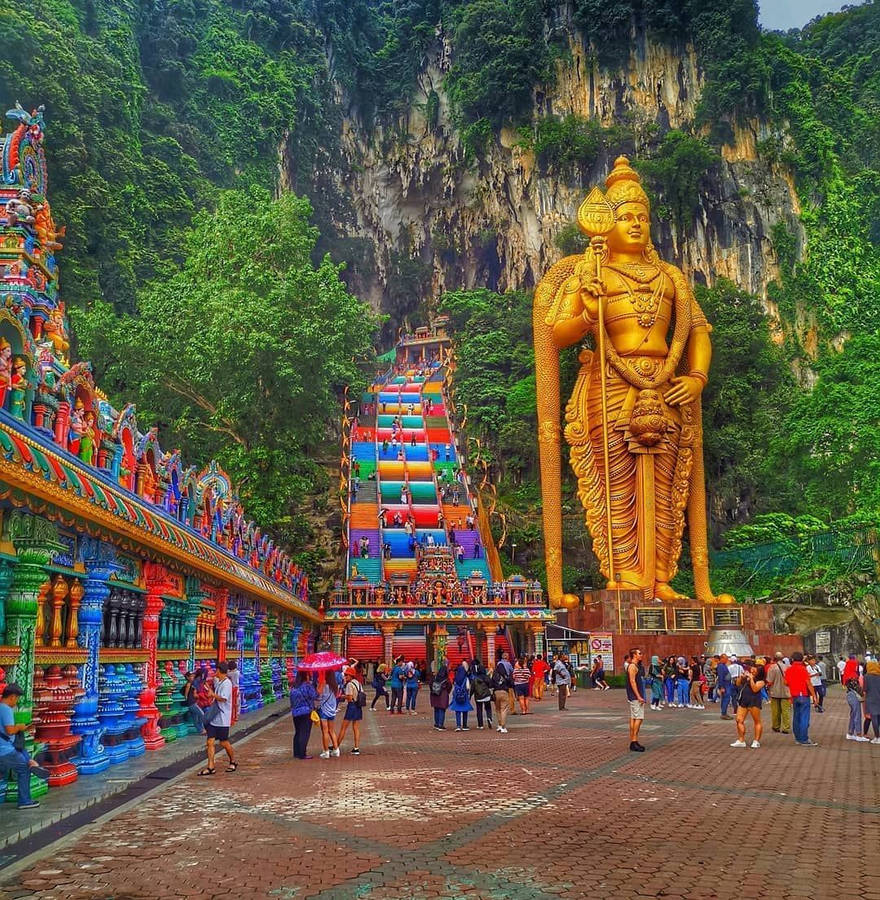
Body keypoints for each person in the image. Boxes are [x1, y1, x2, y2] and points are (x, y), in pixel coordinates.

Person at [0, 683, 50, 809]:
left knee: (22, 751)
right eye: (17, 699)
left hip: (8, 746)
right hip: (5, 749)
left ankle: (32, 762)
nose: (16, 702)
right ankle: (24, 801)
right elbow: (10, 730)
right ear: (12, 697)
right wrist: (20, 727)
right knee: (24, 770)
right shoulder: (5, 709)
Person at [199, 660, 237, 775]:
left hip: (222, 718)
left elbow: (224, 698)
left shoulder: (227, 683)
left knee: (224, 742)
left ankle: (233, 761)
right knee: (210, 741)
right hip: (214, 718)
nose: (215, 672)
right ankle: (211, 766)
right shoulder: (219, 682)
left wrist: (213, 695)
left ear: (220, 671)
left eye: (216, 670)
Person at [784, 651, 818, 747]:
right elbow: (808, 683)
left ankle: (798, 738)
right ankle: (804, 739)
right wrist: (814, 696)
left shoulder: (789, 669)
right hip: (803, 695)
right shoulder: (803, 669)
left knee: (796, 717)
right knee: (804, 717)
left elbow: (785, 682)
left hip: (794, 695)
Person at [731, 662, 766, 748]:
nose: (752, 670)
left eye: (755, 669)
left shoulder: (761, 681)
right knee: (739, 720)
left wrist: (751, 679)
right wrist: (741, 677)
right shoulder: (746, 677)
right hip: (743, 700)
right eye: (752, 668)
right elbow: (738, 684)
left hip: (754, 701)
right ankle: (741, 740)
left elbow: (755, 689)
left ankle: (756, 740)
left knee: (757, 721)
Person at [289, 670, 318, 760]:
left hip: (295, 713)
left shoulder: (294, 687)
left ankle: (297, 752)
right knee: (304, 733)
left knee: (298, 732)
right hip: (306, 712)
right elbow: (315, 696)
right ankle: (302, 753)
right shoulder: (307, 686)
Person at [336, 667, 364, 755]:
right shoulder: (358, 683)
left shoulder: (349, 684)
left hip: (351, 706)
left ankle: (336, 746)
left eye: (346, 675)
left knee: (343, 727)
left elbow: (350, 697)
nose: (345, 676)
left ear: (351, 675)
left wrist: (341, 696)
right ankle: (356, 747)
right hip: (358, 706)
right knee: (356, 728)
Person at [317, 671, 341, 759]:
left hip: (324, 710)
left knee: (325, 731)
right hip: (332, 710)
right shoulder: (334, 685)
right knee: (331, 730)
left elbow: (319, 695)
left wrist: (319, 685)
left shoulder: (324, 684)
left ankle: (326, 751)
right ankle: (336, 749)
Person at [765, 652, 791, 734]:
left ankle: (776, 726)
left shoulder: (772, 668)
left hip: (775, 692)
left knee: (775, 711)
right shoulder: (788, 667)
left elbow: (769, 681)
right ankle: (786, 727)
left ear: (774, 658)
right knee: (786, 711)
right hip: (786, 692)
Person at [626, 649, 647, 752]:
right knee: (638, 717)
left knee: (634, 717)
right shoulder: (633, 666)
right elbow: (632, 681)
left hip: (634, 696)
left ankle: (634, 740)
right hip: (635, 696)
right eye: (639, 653)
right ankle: (634, 741)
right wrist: (638, 696)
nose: (641, 655)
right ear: (634, 655)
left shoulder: (634, 666)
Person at [844, 669, 868, 742]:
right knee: (857, 715)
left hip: (849, 695)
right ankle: (858, 734)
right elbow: (857, 688)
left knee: (853, 714)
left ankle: (850, 733)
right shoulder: (853, 676)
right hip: (853, 696)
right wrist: (864, 695)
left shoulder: (848, 674)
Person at [492, 651, 513, 733]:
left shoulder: (495, 672)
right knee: (504, 709)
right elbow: (512, 673)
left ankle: (500, 725)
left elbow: (491, 682)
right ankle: (503, 726)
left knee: (497, 709)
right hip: (504, 690)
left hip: (496, 691)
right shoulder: (508, 665)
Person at [450, 662, 473, 731]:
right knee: (465, 710)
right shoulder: (466, 679)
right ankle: (465, 725)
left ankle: (458, 725)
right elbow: (468, 687)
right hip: (464, 696)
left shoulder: (456, 678)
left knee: (457, 711)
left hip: (457, 696)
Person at [471, 660, 494, 729]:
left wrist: (470, 695)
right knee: (488, 708)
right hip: (486, 695)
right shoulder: (486, 677)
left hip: (478, 695)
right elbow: (491, 685)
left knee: (479, 710)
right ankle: (489, 718)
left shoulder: (475, 679)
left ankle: (480, 724)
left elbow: (472, 688)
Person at [430, 662, 452, 730]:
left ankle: (436, 724)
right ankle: (440, 725)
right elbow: (449, 687)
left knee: (436, 709)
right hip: (443, 695)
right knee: (442, 710)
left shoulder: (435, 677)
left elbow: (430, 684)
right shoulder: (446, 679)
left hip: (434, 695)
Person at [864, 660, 880, 743]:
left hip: (871, 699)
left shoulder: (866, 677)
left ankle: (877, 737)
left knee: (874, 719)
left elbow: (865, 689)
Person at [716, 654, 733, 720]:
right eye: (726, 659)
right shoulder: (720, 666)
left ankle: (724, 713)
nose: (727, 660)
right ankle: (723, 713)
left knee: (726, 699)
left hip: (727, 684)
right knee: (726, 699)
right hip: (725, 685)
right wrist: (722, 687)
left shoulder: (723, 665)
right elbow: (721, 677)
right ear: (722, 658)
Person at [227, 660, 241, 725]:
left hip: (234, 689)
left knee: (235, 703)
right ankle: (236, 715)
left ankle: (235, 716)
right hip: (237, 688)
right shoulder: (237, 672)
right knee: (237, 702)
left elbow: (227, 674)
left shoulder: (233, 673)